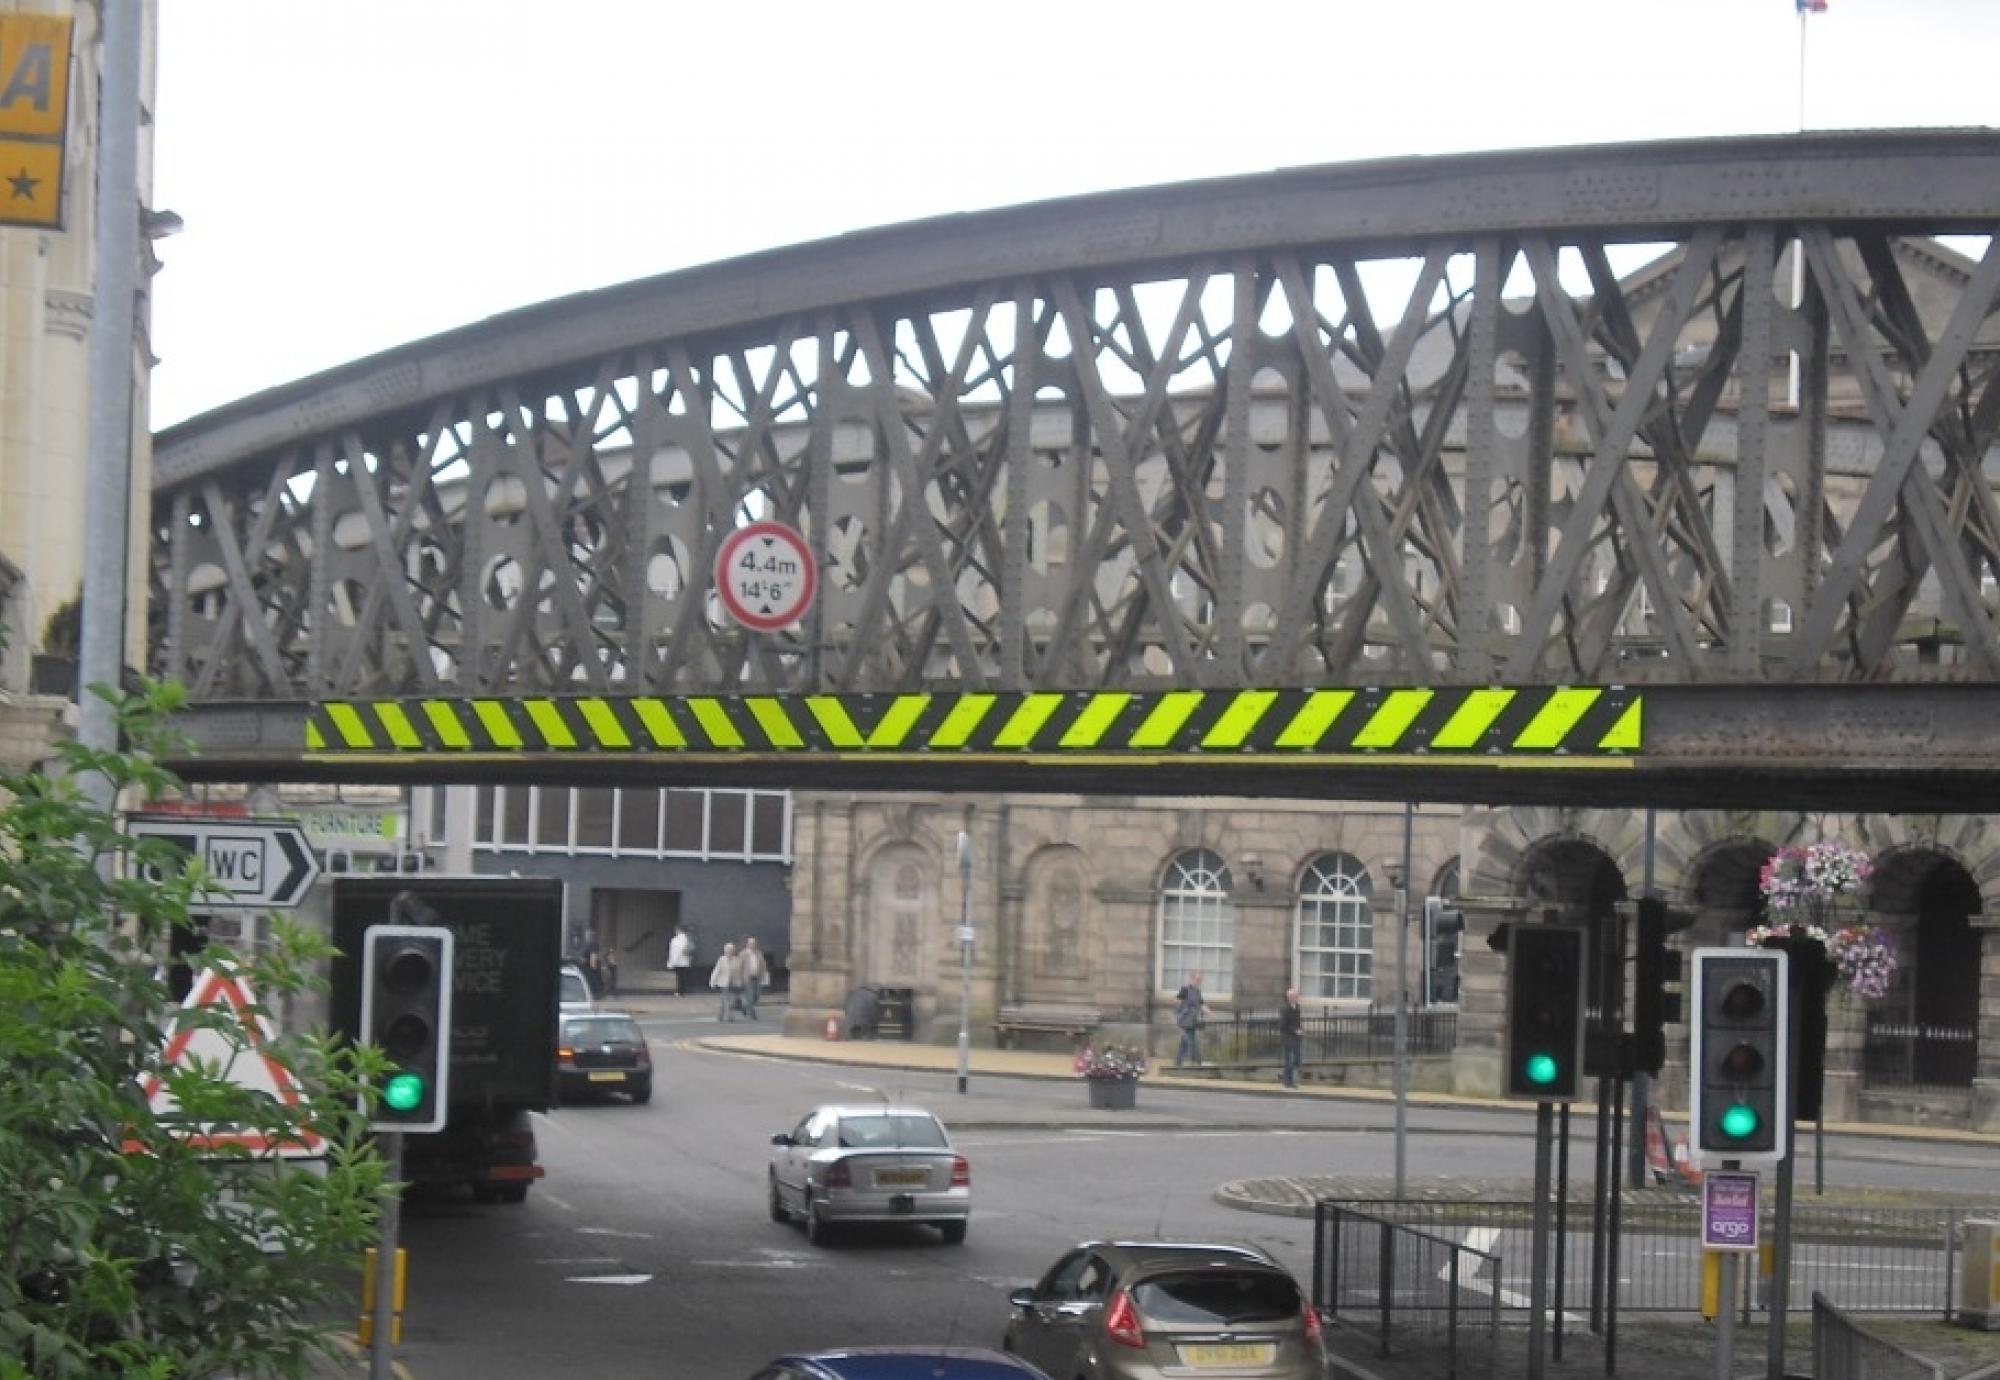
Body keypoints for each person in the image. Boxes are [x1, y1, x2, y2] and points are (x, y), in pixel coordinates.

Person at [1172, 971, 1208, 1068]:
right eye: (1197, 980)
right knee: (1192, 1040)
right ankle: (1197, 1061)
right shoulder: (1185, 989)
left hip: (1193, 1019)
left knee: (1184, 1041)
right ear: (1191, 979)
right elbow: (1177, 1000)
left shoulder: (1198, 992)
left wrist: (1208, 1012)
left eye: (1200, 980)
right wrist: (1182, 1010)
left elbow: (1201, 1004)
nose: (1199, 982)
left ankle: (1177, 1062)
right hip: (1185, 1019)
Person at [1278, 986, 1303, 1089]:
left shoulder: (1297, 1007)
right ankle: (1289, 1082)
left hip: (1296, 1038)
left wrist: (1300, 1029)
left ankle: (1284, 1076)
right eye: (1295, 996)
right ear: (1290, 997)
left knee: (1297, 1060)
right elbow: (1282, 1026)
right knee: (1289, 1060)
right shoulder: (1285, 1009)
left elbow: (1297, 1022)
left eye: (1298, 995)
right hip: (1288, 1038)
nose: (1297, 997)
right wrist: (1294, 1030)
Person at [710, 942, 742, 1022]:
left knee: (726, 1001)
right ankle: (730, 1017)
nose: (729, 952)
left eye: (731, 950)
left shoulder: (736, 960)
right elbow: (716, 971)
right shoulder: (721, 959)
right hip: (724, 984)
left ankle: (720, 1016)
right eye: (728, 950)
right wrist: (712, 982)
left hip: (733, 983)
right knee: (727, 1000)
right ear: (725, 951)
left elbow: (738, 972)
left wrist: (739, 982)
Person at [739, 937, 769, 1020]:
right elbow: (739, 967)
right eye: (750, 943)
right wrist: (740, 979)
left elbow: (763, 965)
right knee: (750, 996)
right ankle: (753, 1014)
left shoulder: (758, 953)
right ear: (747, 944)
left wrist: (764, 975)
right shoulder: (743, 954)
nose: (752, 945)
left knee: (756, 996)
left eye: (754, 943)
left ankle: (744, 1007)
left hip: (757, 977)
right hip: (747, 978)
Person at [666, 925, 693, 997]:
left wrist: (671, 963)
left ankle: (679, 991)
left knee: (679, 977)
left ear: (677, 930)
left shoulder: (675, 940)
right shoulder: (688, 939)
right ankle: (683, 990)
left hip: (678, 961)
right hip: (686, 961)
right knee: (683, 977)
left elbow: (674, 952)